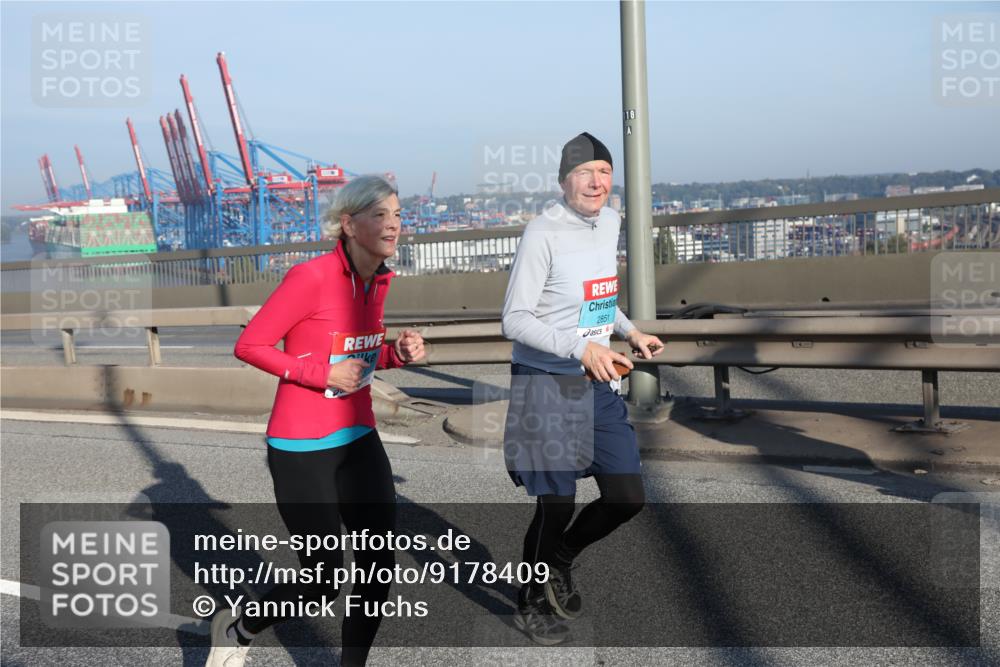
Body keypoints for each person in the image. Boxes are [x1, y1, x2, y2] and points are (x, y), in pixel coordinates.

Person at [206, 175, 425, 667]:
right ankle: (239, 627)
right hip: (302, 447)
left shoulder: (379, 280)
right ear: (348, 224)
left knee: (376, 566)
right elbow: (249, 345)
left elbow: (356, 359)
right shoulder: (311, 277)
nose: (392, 225)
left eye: (396, 214)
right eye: (379, 215)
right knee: (322, 581)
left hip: (360, 437)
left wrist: (395, 353)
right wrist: (318, 372)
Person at [501, 132, 664, 644]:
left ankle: (560, 559)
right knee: (555, 504)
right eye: (584, 172)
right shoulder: (541, 234)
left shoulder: (609, 221)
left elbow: (596, 297)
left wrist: (630, 330)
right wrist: (579, 349)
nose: (596, 182)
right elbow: (514, 320)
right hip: (545, 384)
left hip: (597, 382)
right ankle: (529, 601)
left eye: (604, 171)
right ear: (563, 180)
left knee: (627, 496)